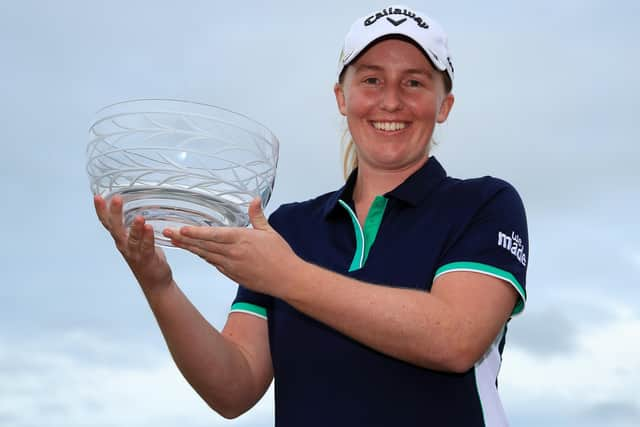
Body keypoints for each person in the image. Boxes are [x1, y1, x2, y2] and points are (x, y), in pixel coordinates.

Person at [94, 5, 528, 427]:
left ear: (444, 105)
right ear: (342, 97)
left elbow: (455, 338)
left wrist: (286, 276)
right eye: (372, 80)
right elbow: (233, 388)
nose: (391, 101)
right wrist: (158, 283)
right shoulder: (289, 229)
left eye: (413, 82)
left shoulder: (484, 204)